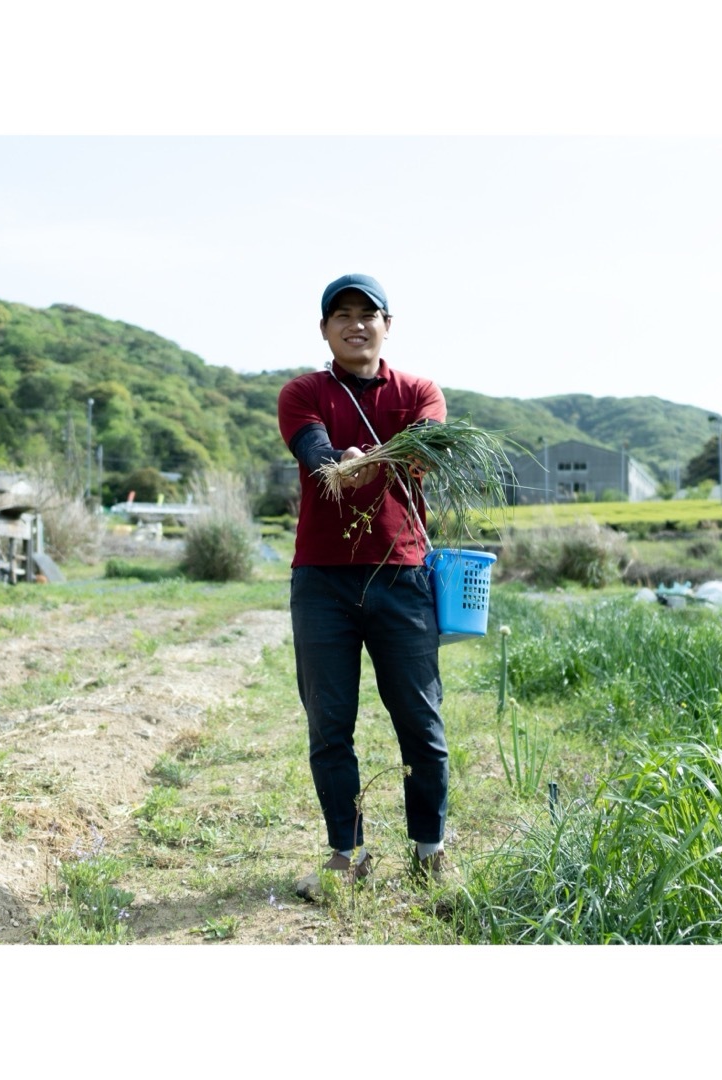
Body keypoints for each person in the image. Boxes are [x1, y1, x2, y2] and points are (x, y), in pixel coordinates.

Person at [277, 273, 452, 899]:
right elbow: (318, 457)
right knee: (329, 723)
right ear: (324, 329)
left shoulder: (420, 391)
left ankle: (431, 850)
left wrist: (366, 463)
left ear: (387, 325)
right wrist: (344, 465)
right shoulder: (302, 392)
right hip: (321, 580)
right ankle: (345, 853)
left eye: (367, 313)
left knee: (420, 721)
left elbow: (428, 447)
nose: (355, 324)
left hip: (402, 574)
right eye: (341, 315)